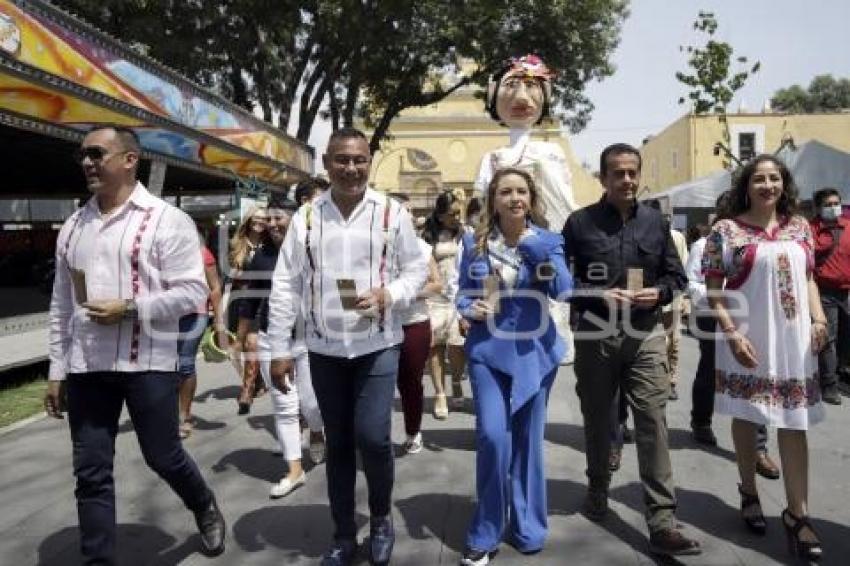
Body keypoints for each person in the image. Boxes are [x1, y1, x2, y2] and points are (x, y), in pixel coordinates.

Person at [43, 125, 225, 563]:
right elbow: (62, 304)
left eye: (96, 153)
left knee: (163, 456)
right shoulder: (72, 227)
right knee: (90, 474)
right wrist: (56, 369)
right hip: (88, 365)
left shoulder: (167, 219)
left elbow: (192, 292)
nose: (87, 162)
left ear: (129, 160)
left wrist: (129, 308)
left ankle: (203, 505)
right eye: (82, 155)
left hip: (149, 362)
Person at [266, 128, 428, 566]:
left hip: (378, 344)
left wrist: (389, 295)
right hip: (324, 349)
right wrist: (279, 348)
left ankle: (379, 518)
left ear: (369, 160)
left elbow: (416, 270)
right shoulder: (306, 218)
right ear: (326, 164)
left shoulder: (393, 213)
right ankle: (342, 534)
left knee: (374, 438)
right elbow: (285, 286)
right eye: (342, 160)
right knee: (338, 443)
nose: (351, 168)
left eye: (359, 160)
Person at [563, 143, 701, 556]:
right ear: (603, 178)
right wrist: (600, 295)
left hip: (645, 335)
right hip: (595, 335)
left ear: (639, 176)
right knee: (598, 419)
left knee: (652, 421)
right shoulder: (579, 223)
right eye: (617, 173)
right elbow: (562, 283)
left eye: (632, 172)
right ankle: (597, 490)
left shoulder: (657, 224)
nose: (626, 180)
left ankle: (661, 521)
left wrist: (657, 293)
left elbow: (676, 279)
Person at [703, 154, 827, 562]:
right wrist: (731, 332)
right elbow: (714, 287)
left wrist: (820, 319)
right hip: (747, 336)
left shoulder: (800, 226)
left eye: (775, 178)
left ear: (783, 183)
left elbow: (808, 276)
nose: (768, 185)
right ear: (746, 185)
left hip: (793, 338)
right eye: (759, 179)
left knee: (796, 421)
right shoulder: (727, 230)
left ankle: (798, 514)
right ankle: (749, 490)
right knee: (748, 413)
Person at [456, 168, 572, 566]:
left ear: (531, 197)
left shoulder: (550, 240)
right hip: (487, 350)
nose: (514, 198)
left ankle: (528, 527)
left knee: (527, 442)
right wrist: (469, 308)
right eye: (505, 191)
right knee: (492, 436)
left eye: (521, 191)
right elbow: (461, 293)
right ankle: (486, 531)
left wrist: (534, 247)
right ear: (494, 199)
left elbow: (564, 289)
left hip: (535, 355)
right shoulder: (473, 243)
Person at [474, 54, 577, 365]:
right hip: (498, 253)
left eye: (531, 86)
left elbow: (563, 207)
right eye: (512, 86)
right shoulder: (491, 158)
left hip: (539, 249)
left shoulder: (549, 152)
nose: (521, 96)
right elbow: (479, 212)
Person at [686, 196, 780, 482]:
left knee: (754, 374)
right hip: (713, 316)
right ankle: (701, 421)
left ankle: (759, 448)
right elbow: (693, 282)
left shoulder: (758, 242)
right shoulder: (705, 244)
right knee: (710, 370)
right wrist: (721, 296)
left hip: (748, 316)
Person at [240, 192, 326, 498]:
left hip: (309, 339)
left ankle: (316, 429)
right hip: (271, 338)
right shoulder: (260, 257)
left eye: (279, 217)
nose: (272, 224)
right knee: (284, 404)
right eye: (269, 219)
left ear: (296, 219)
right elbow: (250, 298)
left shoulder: (314, 250)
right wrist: (245, 332)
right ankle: (294, 469)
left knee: (313, 403)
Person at [391, 193, 443, 454]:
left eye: (411, 211)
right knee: (375, 384)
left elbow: (437, 284)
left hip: (414, 323)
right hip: (378, 325)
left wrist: (404, 293)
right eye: (404, 210)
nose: (411, 215)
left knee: (410, 381)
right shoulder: (373, 246)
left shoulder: (422, 248)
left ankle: (413, 431)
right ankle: (372, 436)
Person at [421, 188, 469, 418]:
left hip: (459, 298)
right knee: (435, 347)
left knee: (459, 347)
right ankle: (440, 393)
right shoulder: (427, 237)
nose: (457, 218)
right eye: (452, 214)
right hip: (435, 300)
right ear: (440, 216)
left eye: (459, 213)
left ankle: (457, 381)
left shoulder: (466, 234)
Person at [177, 229, 225, 439]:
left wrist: (219, 320)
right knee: (166, 365)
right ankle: (168, 414)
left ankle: (184, 415)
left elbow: (215, 287)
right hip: (165, 316)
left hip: (195, 315)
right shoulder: (162, 254)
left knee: (185, 363)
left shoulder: (202, 253)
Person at [809, 187, 849, 404]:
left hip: (847, 291)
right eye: (828, 204)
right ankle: (829, 385)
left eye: (836, 203)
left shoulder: (849, 227)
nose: (834, 208)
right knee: (828, 339)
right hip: (823, 292)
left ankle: (841, 372)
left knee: (845, 338)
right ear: (818, 208)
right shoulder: (811, 230)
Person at [228, 204, 268, 414]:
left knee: (252, 344)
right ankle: (259, 381)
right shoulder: (237, 244)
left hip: (260, 300)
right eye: (256, 218)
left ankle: (247, 389)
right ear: (248, 221)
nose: (259, 222)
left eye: (263, 219)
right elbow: (231, 275)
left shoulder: (271, 243)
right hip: (241, 299)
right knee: (244, 345)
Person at [663, 218, 688, 400]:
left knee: (672, 341)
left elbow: (684, 268)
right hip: (665, 298)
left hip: (671, 298)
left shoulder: (676, 237)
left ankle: (670, 381)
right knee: (671, 341)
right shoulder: (676, 235)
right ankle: (667, 381)